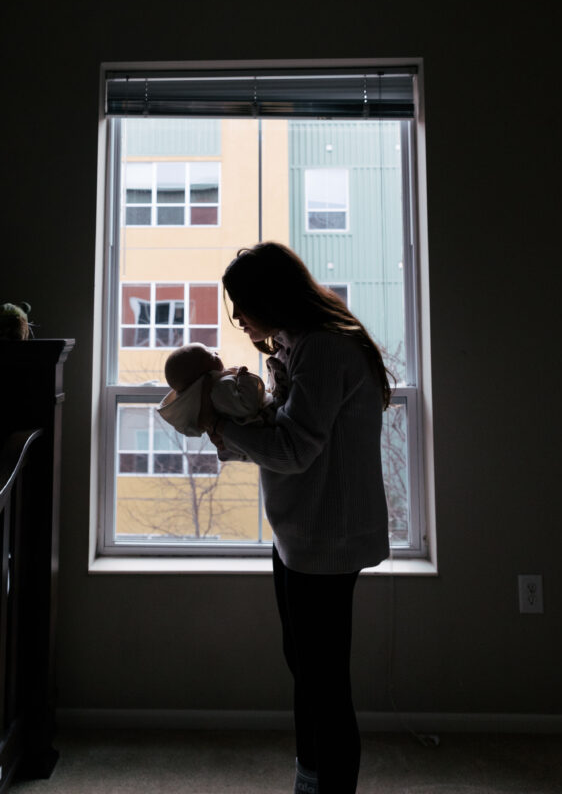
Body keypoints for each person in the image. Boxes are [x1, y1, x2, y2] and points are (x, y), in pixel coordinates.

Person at [201, 242, 392, 794]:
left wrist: (218, 425)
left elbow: (294, 449)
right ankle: (310, 781)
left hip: (325, 538)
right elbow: (285, 435)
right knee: (308, 671)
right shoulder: (299, 346)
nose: (239, 319)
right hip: (301, 533)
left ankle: (324, 786)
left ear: (271, 298)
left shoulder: (324, 350)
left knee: (324, 684)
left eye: (243, 305)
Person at [157, 341, 275, 439]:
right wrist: (244, 378)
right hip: (268, 419)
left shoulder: (219, 386)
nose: (216, 353)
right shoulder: (220, 389)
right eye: (212, 355)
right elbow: (248, 407)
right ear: (203, 371)